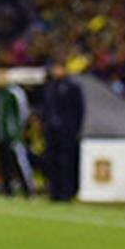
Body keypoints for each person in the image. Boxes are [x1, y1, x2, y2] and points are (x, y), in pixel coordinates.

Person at [40, 61, 85, 202]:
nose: (56, 71)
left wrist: (74, 129)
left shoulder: (72, 88)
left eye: (58, 68)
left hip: (67, 132)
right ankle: (54, 191)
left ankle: (67, 192)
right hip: (51, 131)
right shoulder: (50, 88)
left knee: (66, 162)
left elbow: (79, 110)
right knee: (52, 161)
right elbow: (45, 108)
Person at [0, 77, 33, 197]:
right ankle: (7, 190)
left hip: (13, 135)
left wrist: (17, 130)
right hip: (0, 134)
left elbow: (23, 112)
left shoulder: (14, 92)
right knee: (4, 163)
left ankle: (28, 190)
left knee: (20, 161)